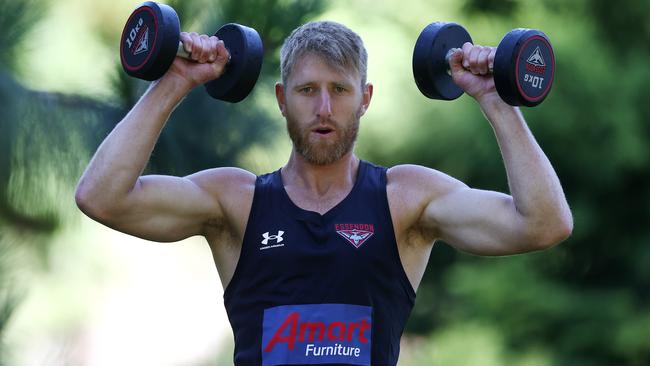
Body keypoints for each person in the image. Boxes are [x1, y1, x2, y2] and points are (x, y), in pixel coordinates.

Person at [75, 21, 572, 365]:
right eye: (307, 90)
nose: (324, 108)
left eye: (340, 89)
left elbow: (545, 223)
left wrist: (495, 99)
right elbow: (102, 197)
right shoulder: (236, 201)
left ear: (366, 99)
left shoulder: (405, 199)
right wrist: (174, 82)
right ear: (281, 100)